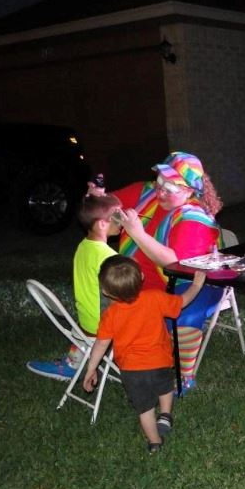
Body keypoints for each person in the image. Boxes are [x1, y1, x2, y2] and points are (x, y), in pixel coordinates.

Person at [91, 152, 225, 393]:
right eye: (159, 182)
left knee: (183, 315)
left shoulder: (195, 217)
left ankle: (184, 375)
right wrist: (97, 198)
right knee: (97, 301)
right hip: (136, 282)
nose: (160, 192)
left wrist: (137, 233)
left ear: (189, 191)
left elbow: (174, 264)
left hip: (191, 282)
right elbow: (107, 205)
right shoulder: (146, 192)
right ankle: (78, 359)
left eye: (169, 188)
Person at [83, 255, 206, 453]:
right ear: (141, 276)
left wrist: (91, 368)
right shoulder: (155, 297)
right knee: (165, 388)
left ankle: (155, 443)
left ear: (105, 291)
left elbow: (101, 344)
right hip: (160, 362)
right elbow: (182, 301)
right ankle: (165, 414)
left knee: (145, 410)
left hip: (131, 371)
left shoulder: (110, 315)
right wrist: (197, 285)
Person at [27, 194, 122, 380]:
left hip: (85, 321)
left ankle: (74, 362)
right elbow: (119, 297)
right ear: (102, 224)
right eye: (118, 216)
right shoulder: (109, 257)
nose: (122, 220)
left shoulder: (83, 246)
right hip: (102, 326)